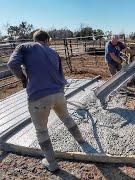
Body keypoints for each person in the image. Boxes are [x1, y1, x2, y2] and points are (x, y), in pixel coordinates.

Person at [7, 30, 86, 172]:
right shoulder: (53, 52)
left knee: (42, 131)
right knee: (66, 117)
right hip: (58, 94)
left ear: (35, 39)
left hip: (38, 97)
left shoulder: (24, 47)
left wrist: (24, 78)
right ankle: (81, 141)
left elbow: (12, 64)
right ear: (47, 40)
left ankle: (52, 163)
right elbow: (61, 75)